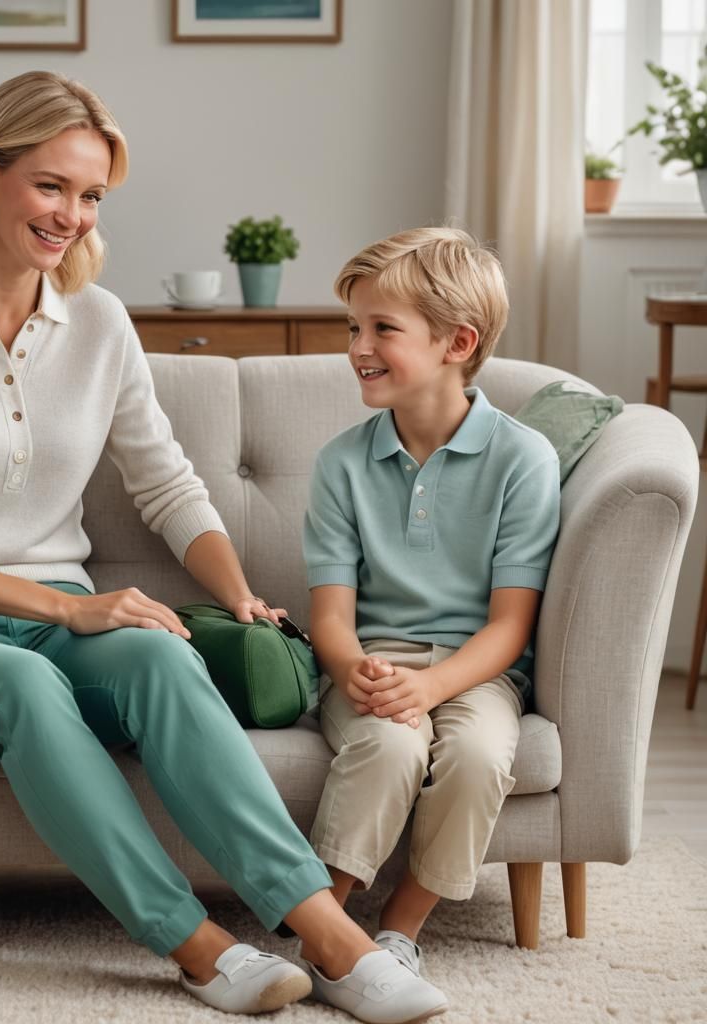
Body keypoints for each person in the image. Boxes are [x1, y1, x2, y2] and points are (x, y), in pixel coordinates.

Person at [0, 71, 447, 1022]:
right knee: (25, 686)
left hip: (61, 619)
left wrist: (237, 593)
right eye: (52, 186)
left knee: (162, 654)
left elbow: (165, 482)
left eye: (91, 197)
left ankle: (330, 940)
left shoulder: (98, 322)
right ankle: (200, 950)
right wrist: (68, 606)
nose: (71, 216)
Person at [303, 227, 560, 993]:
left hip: (477, 670)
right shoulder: (341, 462)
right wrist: (357, 671)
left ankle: (399, 933)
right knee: (388, 746)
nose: (358, 346)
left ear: (459, 342)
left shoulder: (523, 459)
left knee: (480, 754)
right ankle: (323, 927)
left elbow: (510, 625)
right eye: (354, 326)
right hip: (371, 663)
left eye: (383, 328)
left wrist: (434, 687)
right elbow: (330, 619)